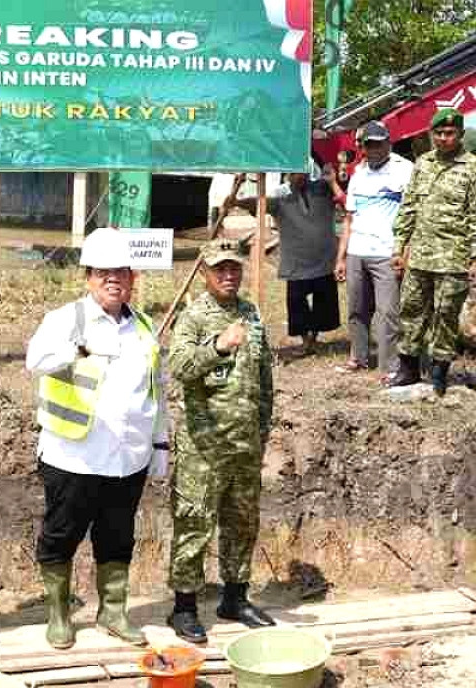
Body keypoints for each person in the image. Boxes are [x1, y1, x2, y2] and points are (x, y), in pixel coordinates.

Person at [25, 227, 169, 650]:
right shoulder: (66, 319)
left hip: (128, 457)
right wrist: (81, 349)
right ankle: (58, 614)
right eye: (103, 272)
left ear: (132, 277)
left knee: (118, 536)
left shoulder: (144, 327)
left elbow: (157, 390)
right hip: (74, 456)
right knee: (61, 535)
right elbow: (35, 361)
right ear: (88, 277)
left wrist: (160, 443)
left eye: (121, 272)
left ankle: (113, 611)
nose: (113, 280)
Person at [166, 238, 274, 644]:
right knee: (194, 524)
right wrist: (217, 346)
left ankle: (235, 598)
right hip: (204, 447)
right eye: (220, 268)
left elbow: (264, 378)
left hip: (245, 445)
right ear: (205, 272)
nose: (229, 275)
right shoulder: (193, 317)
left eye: (234, 267)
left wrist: (262, 429)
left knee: (242, 523)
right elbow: (179, 366)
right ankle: (184, 607)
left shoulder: (251, 313)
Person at [390, 108, 476, 395]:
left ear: (460, 134)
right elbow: (409, 206)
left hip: (454, 257)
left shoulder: (472, 167)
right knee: (410, 310)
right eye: (438, 133)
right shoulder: (423, 163)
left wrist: (474, 257)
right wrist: (398, 247)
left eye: (449, 133)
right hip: (420, 256)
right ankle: (408, 369)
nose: (443, 138)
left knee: (445, 316)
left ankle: (439, 373)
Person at [224, 166, 344, 354]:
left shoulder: (322, 188)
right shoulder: (279, 196)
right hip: (296, 262)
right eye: (295, 173)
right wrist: (237, 202)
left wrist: (334, 179)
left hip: (324, 259)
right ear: (288, 174)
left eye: (303, 172)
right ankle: (305, 340)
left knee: (324, 303)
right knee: (297, 304)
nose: (300, 176)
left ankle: (313, 339)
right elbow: (258, 202)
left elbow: (344, 197)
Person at [334, 120, 415, 381]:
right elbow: (349, 219)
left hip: (387, 253)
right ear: (363, 147)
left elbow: (413, 217)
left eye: (379, 144)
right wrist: (341, 258)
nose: (374, 149)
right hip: (357, 252)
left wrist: (404, 254)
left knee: (388, 312)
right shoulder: (358, 175)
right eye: (369, 145)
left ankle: (390, 367)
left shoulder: (405, 170)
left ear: (388, 143)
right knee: (356, 309)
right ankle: (358, 357)